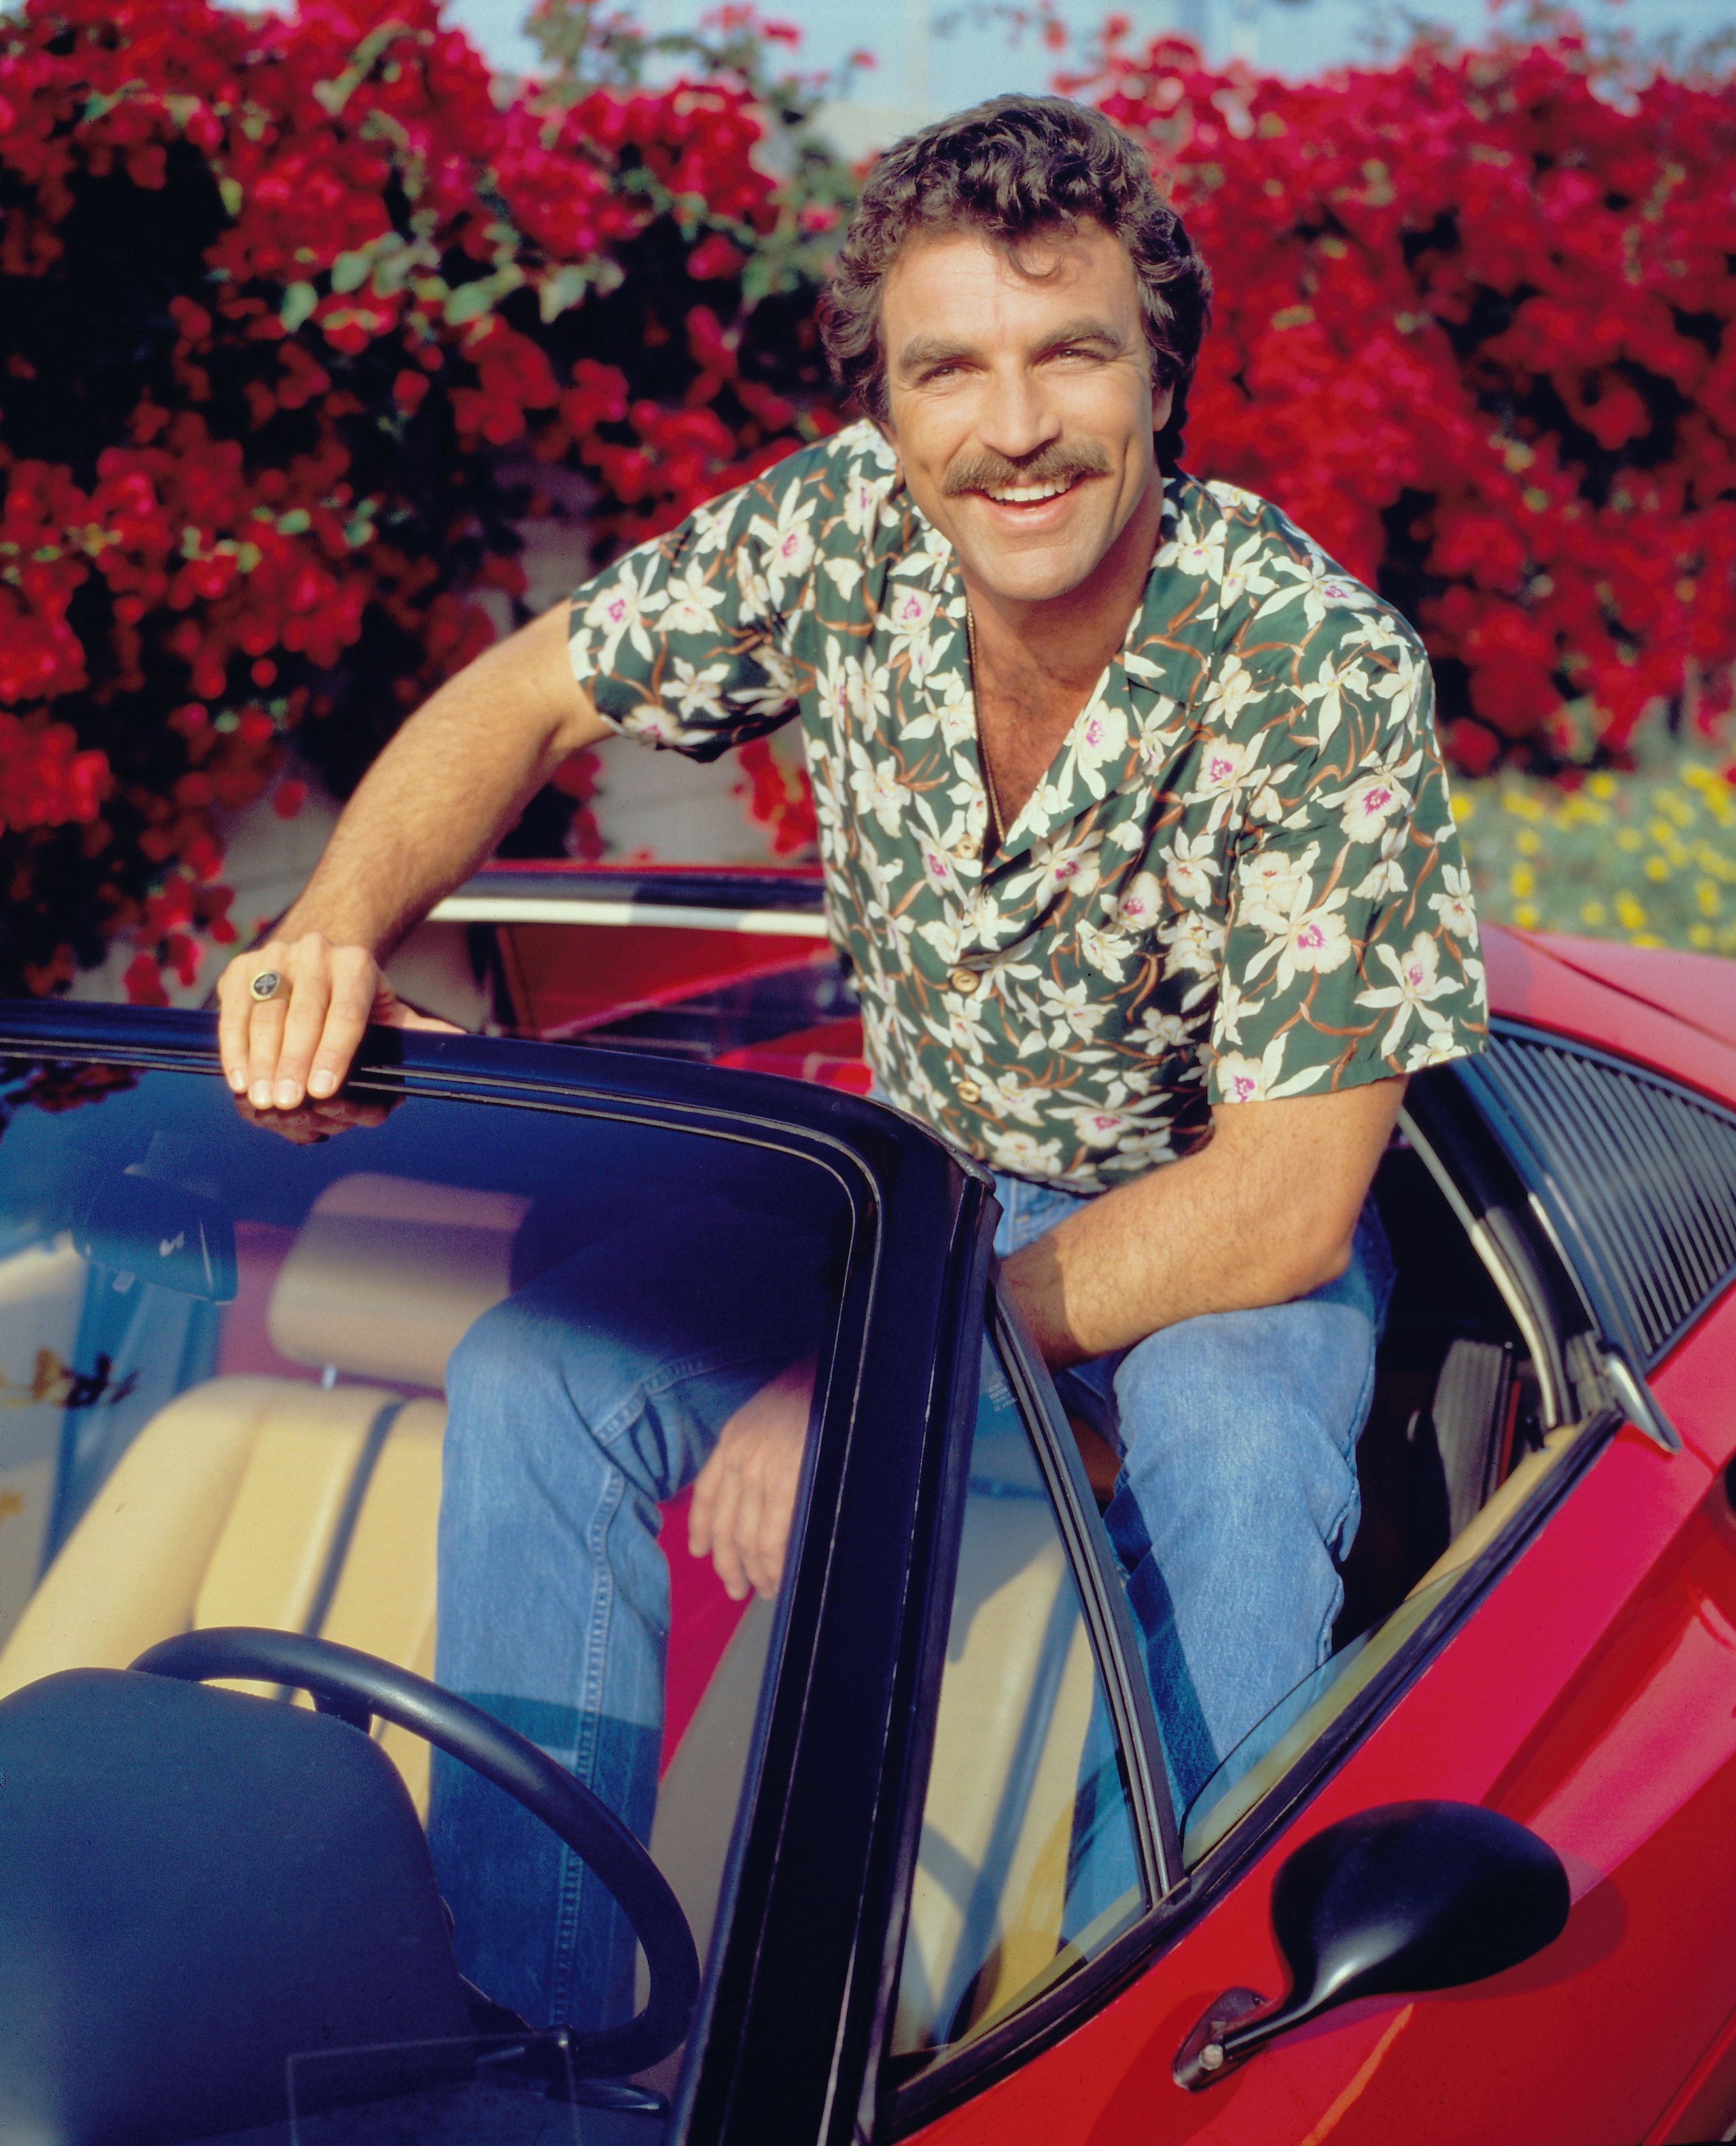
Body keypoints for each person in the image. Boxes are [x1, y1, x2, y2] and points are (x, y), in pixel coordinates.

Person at [217, 95, 1485, 2031]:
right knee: (539, 1369)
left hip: (1204, 1213)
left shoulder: (1317, 669)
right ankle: (538, 2039)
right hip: (916, 1179)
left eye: (1073, 350)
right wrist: (336, 922)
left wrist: (885, 1367)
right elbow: (532, 686)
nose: (1018, 424)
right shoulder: (838, 530)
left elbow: (1290, 1199)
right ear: (887, 411)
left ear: (1164, 370)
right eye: (949, 368)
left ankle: (1120, 2033)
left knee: (1238, 1458)